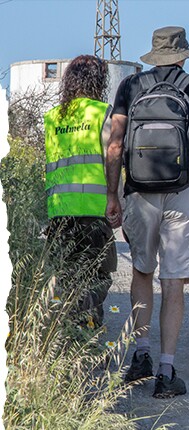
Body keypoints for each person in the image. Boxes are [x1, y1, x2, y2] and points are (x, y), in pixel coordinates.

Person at [105, 26, 189, 398]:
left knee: (142, 270)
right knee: (174, 282)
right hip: (184, 193)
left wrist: (113, 195)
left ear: (153, 55)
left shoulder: (130, 87)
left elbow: (115, 144)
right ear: (184, 55)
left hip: (139, 192)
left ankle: (140, 357)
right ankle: (166, 371)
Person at [43, 54, 117, 329]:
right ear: (99, 81)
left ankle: (67, 334)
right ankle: (87, 333)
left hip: (59, 212)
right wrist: (115, 198)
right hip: (94, 210)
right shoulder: (101, 112)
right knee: (97, 277)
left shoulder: (52, 118)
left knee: (66, 276)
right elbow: (112, 157)